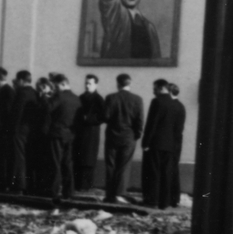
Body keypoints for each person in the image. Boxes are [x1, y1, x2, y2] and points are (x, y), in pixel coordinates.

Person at [102, 73, 144, 204]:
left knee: (111, 165)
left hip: (113, 135)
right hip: (129, 136)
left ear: (118, 83)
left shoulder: (111, 98)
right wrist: (137, 134)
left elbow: (106, 116)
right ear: (129, 83)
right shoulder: (137, 99)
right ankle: (120, 193)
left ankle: (110, 194)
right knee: (124, 165)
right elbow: (140, 120)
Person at [142, 79, 182, 209]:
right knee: (166, 173)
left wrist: (146, 142)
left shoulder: (157, 101)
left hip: (156, 143)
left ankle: (153, 200)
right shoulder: (176, 105)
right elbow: (177, 129)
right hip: (170, 145)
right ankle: (164, 202)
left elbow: (152, 123)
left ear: (160, 88)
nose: (153, 91)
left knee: (154, 172)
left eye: (154, 89)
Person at [46, 75, 82, 202]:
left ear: (62, 84)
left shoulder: (59, 96)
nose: (55, 89)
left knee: (55, 163)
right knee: (67, 163)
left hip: (57, 133)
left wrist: (47, 96)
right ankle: (69, 191)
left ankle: (53, 191)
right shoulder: (76, 98)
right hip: (70, 135)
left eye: (56, 86)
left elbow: (47, 108)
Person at [74, 74, 105, 192]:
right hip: (80, 132)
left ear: (96, 84)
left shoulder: (98, 99)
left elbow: (103, 116)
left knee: (88, 159)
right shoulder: (81, 97)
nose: (87, 86)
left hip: (91, 132)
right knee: (78, 157)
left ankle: (86, 186)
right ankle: (77, 185)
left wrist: (90, 119)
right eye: (86, 83)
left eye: (90, 83)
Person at [167, 83, 186, 203]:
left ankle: (171, 197)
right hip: (176, 141)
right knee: (173, 169)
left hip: (171, 141)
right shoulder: (180, 106)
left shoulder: (172, 106)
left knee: (169, 169)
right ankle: (174, 197)